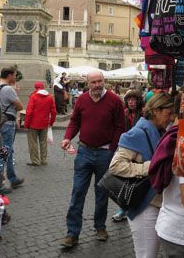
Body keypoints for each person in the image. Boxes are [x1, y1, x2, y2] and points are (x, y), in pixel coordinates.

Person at [59, 70, 125, 248]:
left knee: (102, 193)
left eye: (100, 81)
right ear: (87, 84)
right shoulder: (81, 100)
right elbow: (74, 121)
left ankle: (100, 227)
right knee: (78, 192)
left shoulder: (114, 100)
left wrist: (112, 150)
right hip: (84, 151)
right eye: (93, 82)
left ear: (104, 81)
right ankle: (72, 233)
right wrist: (67, 137)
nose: (97, 85)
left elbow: (120, 126)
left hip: (105, 153)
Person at [108, 92, 175, 258]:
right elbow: (115, 166)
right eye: (169, 112)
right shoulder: (139, 132)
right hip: (144, 205)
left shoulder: (159, 131)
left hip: (155, 202)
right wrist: (150, 167)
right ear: (157, 110)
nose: (171, 117)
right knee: (146, 255)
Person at [112, 89, 145, 222]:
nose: (131, 102)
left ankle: (134, 207)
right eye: (129, 100)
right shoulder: (124, 113)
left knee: (137, 181)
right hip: (125, 149)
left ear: (138, 101)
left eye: (134, 100)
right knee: (124, 181)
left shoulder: (143, 114)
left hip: (139, 151)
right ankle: (123, 209)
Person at [0, 66, 25, 190]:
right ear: (10, 75)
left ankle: (12, 178)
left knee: (7, 151)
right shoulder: (8, 89)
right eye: (15, 75)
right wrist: (15, 94)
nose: (15, 77)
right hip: (7, 123)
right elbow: (19, 106)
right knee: (5, 152)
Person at [24, 81, 56, 166]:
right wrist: (51, 122)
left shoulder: (33, 97)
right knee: (43, 142)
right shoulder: (50, 97)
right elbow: (53, 112)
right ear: (43, 87)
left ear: (35, 88)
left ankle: (35, 161)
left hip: (33, 124)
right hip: (45, 123)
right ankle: (44, 160)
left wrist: (26, 124)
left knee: (33, 142)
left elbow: (29, 112)